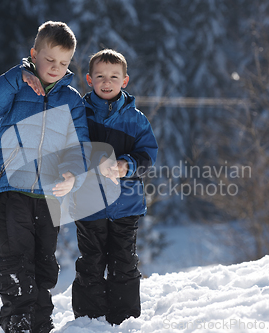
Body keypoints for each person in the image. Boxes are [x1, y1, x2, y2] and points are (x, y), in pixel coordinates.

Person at [0, 21, 89, 333]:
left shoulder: (72, 99)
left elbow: (78, 146)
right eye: (49, 60)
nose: (55, 67)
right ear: (34, 54)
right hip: (13, 188)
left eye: (63, 63)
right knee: (15, 258)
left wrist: (73, 175)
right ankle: (18, 322)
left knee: (44, 264)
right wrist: (16, 77)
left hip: (50, 195)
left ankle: (40, 323)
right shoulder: (17, 85)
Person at [72, 49, 158, 325]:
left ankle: (124, 319)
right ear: (89, 79)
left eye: (113, 76)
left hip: (125, 204)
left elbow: (148, 156)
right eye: (100, 76)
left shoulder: (136, 120)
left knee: (123, 261)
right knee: (91, 261)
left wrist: (126, 165)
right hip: (89, 204)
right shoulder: (80, 114)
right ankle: (89, 320)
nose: (106, 82)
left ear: (125, 80)